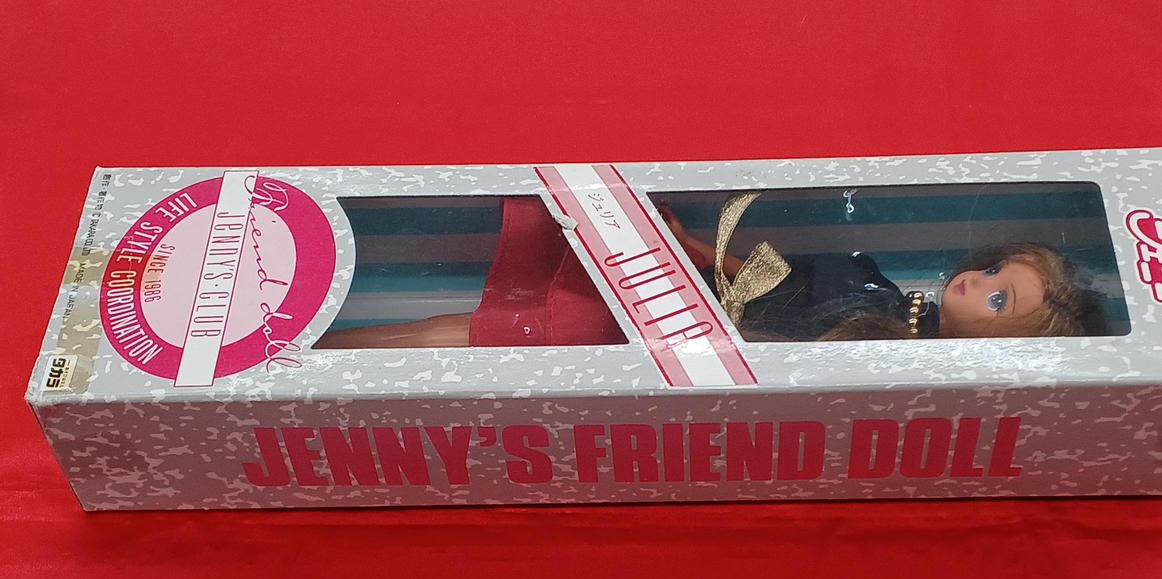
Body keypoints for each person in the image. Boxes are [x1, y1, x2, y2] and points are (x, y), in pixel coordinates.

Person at [314, 193, 1104, 350]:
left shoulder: (886, 351)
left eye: (999, 300)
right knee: (479, 319)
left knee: (511, 331)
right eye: (994, 271)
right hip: (683, 301)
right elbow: (764, 274)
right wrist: (690, 249)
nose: (979, 283)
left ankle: (332, 353)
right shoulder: (873, 285)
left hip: (674, 348)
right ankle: (329, 347)